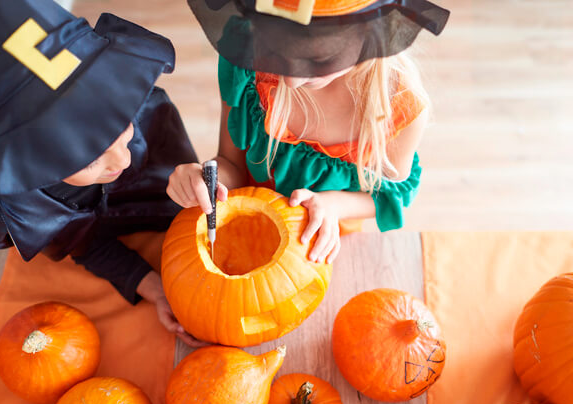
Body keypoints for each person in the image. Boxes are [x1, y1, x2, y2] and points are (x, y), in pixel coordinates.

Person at [0, 0, 203, 346]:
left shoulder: (151, 113)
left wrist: (192, 177)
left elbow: (190, 180)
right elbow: (89, 246)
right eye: (88, 160)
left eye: (122, 127)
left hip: (178, 228)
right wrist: (152, 287)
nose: (123, 161)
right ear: (32, 165)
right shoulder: (35, 203)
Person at [167, 0, 450, 263]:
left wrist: (333, 206)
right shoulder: (247, 62)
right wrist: (207, 182)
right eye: (275, 53)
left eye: (318, 60)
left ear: (372, 35)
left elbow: (391, 195)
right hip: (250, 230)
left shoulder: (399, 109)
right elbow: (232, 167)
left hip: (326, 246)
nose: (291, 81)